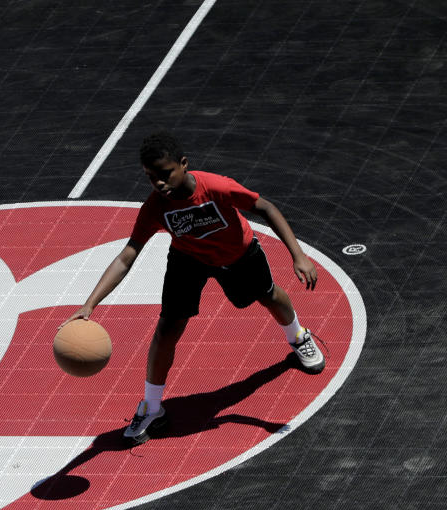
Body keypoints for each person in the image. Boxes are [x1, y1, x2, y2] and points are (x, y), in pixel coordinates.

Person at [63, 131, 325, 445]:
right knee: (168, 327)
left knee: (268, 295)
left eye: (164, 174)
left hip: (237, 254)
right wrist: (89, 305)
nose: (158, 183)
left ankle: (298, 336)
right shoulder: (155, 208)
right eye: (150, 177)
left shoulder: (216, 187)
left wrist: (298, 255)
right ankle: (151, 407)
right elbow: (127, 255)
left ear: (184, 164)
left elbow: (265, 207)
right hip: (188, 258)